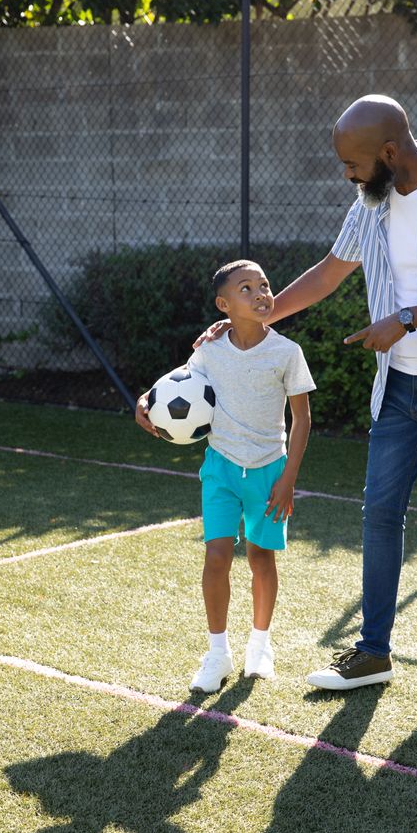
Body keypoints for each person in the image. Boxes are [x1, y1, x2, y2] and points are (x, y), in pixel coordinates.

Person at [193, 95, 417, 705]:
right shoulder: (371, 200)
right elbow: (329, 271)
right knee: (378, 517)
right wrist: (260, 317)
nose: (346, 174)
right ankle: (373, 652)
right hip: (399, 387)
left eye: (352, 163)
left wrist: (406, 319)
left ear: (389, 153)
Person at [136, 259, 315, 693]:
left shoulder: (286, 352)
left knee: (260, 558)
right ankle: (217, 654)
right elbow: (175, 388)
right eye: (246, 288)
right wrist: (143, 402)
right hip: (219, 469)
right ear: (224, 305)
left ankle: (260, 646)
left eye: (264, 285)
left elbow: (303, 420)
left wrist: (288, 478)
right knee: (216, 556)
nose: (260, 294)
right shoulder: (209, 350)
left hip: (269, 472)